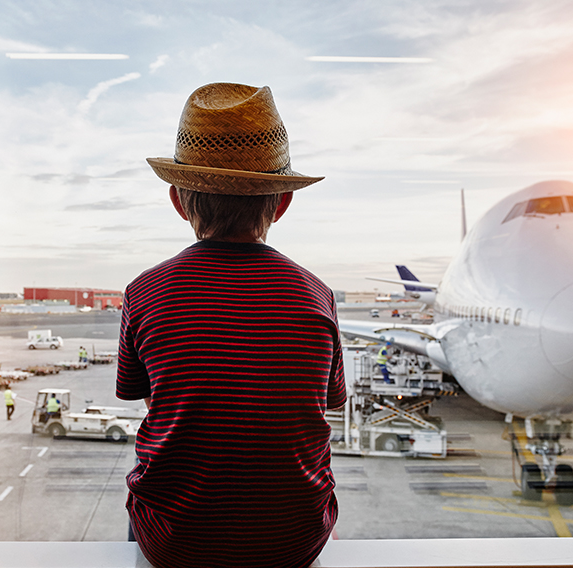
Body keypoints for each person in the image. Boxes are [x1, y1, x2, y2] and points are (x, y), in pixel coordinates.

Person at [117, 82, 346, 568]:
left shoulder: (145, 292)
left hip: (175, 545)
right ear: (282, 203)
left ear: (178, 201)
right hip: (295, 541)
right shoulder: (317, 295)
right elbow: (326, 403)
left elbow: (145, 395)